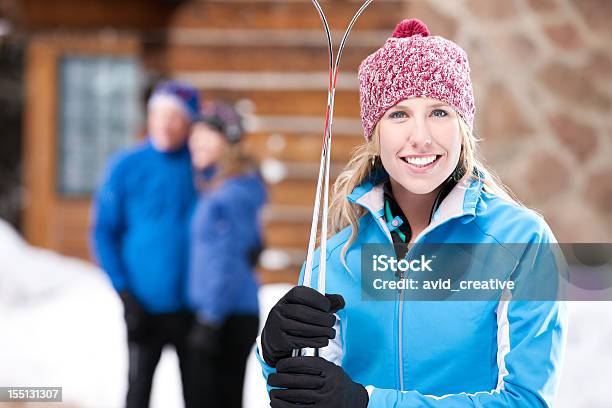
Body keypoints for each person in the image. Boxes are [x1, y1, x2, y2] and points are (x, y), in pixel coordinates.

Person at [255, 19, 567, 407]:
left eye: (439, 112)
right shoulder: (334, 259)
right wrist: (275, 355)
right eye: (398, 114)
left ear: (462, 126)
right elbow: (305, 395)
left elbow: (528, 401)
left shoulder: (521, 242)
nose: (420, 136)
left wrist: (371, 403)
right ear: (376, 132)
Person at [91, 80, 202, 408]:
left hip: (193, 309)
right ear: (149, 117)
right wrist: (125, 293)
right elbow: (103, 233)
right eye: (160, 114)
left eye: (176, 117)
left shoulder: (201, 166)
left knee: (199, 395)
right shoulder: (126, 166)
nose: (166, 124)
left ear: (190, 123)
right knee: (138, 392)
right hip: (143, 307)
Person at [187, 101, 266, 407]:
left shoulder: (229, 193)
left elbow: (226, 262)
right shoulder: (228, 186)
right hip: (230, 312)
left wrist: (210, 318)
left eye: (207, 134)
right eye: (195, 133)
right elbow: (251, 244)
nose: (197, 140)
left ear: (228, 141)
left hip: (224, 316)